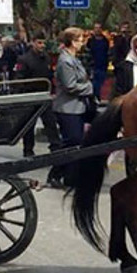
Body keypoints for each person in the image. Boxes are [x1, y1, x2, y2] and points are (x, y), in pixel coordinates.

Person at [48, 27, 95, 188]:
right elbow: (70, 86)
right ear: (73, 42)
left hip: (78, 107)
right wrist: (89, 88)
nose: (82, 43)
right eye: (80, 40)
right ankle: (56, 173)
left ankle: (70, 176)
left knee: (76, 143)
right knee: (72, 141)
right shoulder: (65, 61)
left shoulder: (75, 59)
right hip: (67, 108)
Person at [16, 31, 61, 158]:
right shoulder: (24, 59)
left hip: (44, 95)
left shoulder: (46, 57)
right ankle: (28, 150)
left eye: (43, 43)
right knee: (29, 125)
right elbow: (20, 79)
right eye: (39, 43)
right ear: (33, 43)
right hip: (31, 96)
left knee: (50, 123)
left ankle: (55, 148)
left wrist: (52, 92)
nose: (41, 46)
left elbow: (49, 75)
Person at [87, 22, 110, 100]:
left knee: (100, 82)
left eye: (99, 28)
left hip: (102, 65)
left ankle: (97, 96)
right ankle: (94, 97)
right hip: (93, 66)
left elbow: (107, 52)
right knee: (93, 83)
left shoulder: (105, 41)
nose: (97, 30)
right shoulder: (90, 41)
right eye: (95, 28)